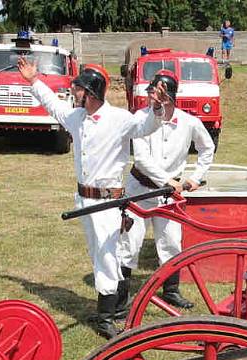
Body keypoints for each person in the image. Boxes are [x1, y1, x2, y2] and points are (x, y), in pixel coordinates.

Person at [18, 57, 168, 338]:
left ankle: (107, 317)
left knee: (108, 256)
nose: (74, 93)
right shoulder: (77, 118)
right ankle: (110, 308)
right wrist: (34, 81)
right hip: (84, 200)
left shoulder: (120, 119)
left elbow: (147, 125)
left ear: (91, 92)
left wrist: (156, 106)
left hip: (107, 202)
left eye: (78, 89)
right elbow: (53, 106)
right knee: (97, 255)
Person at [121, 70, 215, 309]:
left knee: (171, 242)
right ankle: (120, 299)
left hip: (168, 195)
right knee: (130, 243)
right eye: (152, 92)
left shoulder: (189, 122)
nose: (153, 97)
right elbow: (141, 159)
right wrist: (167, 180)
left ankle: (171, 291)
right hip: (139, 189)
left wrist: (195, 177)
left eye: (159, 94)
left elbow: (207, 148)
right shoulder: (139, 119)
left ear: (170, 97)